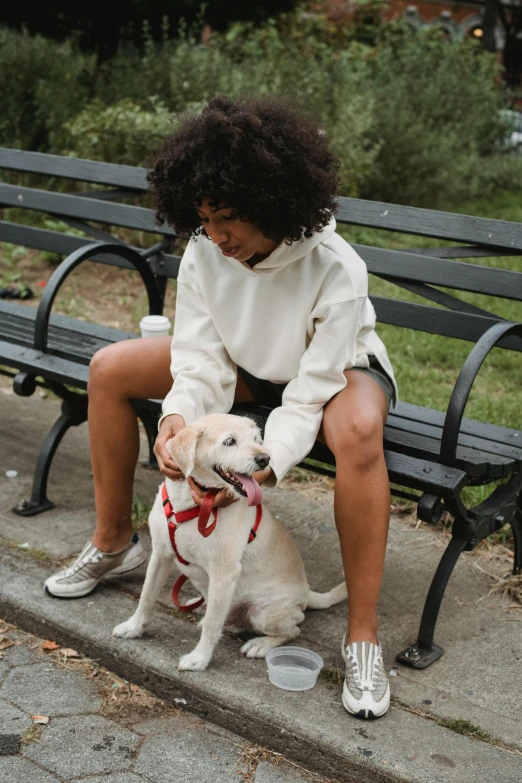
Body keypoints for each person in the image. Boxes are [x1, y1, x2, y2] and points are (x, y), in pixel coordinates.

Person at [45, 95, 397, 719]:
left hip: (334, 369)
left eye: (229, 217)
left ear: (274, 204)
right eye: (204, 217)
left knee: (362, 431)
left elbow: (309, 393)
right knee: (109, 368)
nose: (215, 234)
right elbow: (200, 357)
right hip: (245, 367)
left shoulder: (335, 267)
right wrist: (178, 417)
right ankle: (114, 541)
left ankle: (362, 637)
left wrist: (263, 465)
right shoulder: (207, 249)